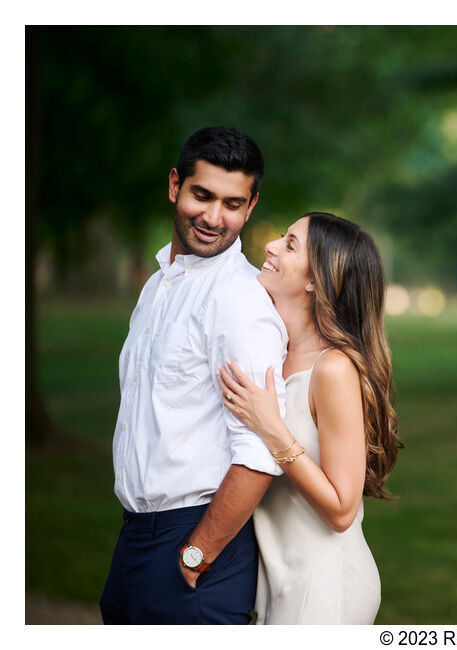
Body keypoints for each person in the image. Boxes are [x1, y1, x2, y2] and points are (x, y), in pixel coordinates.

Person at [99, 126, 288, 624]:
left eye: (231, 203)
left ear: (250, 208)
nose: (212, 217)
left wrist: (195, 556)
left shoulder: (241, 301)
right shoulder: (159, 285)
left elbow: (261, 450)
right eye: (201, 195)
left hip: (196, 548)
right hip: (136, 536)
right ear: (174, 185)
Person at [217, 211, 402, 624]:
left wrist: (272, 429)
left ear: (315, 280)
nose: (270, 246)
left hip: (323, 584)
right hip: (277, 574)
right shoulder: (275, 351)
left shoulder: (332, 369)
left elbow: (342, 509)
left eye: (290, 244)